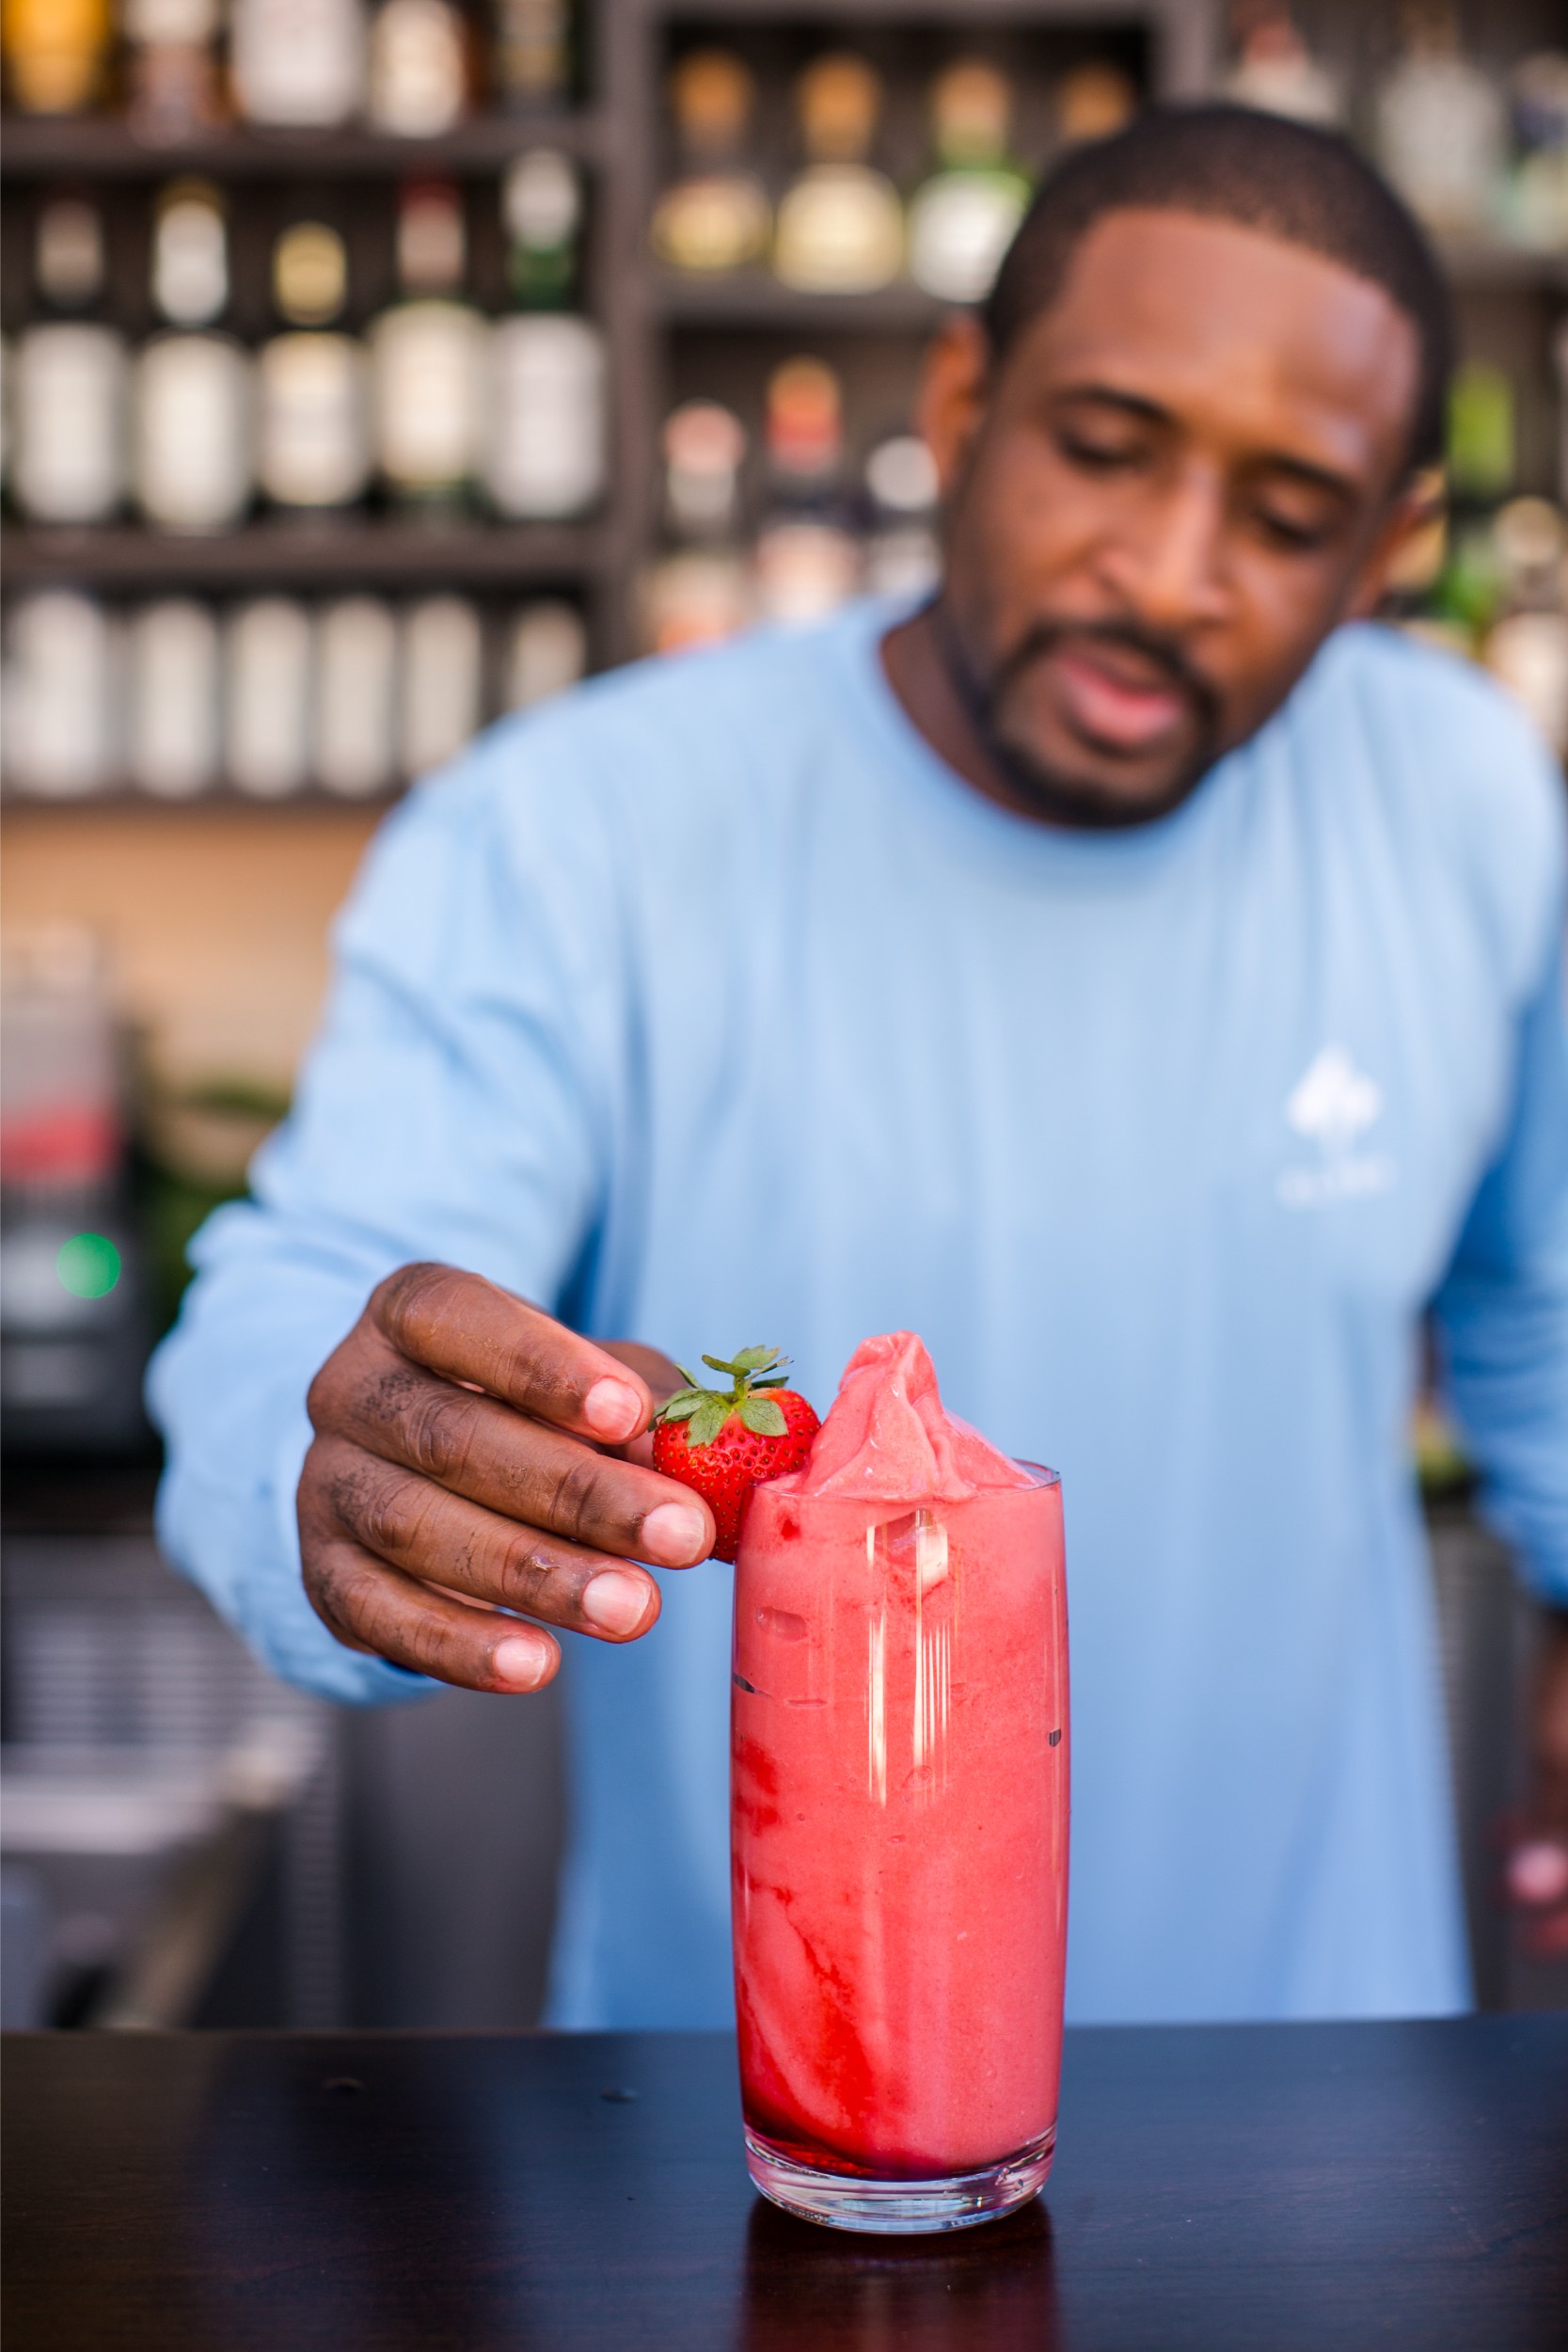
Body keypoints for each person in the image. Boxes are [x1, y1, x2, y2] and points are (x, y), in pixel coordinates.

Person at [150, 108, 1568, 2027]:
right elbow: (318, 1297)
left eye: (1289, 515)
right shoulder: (573, 829)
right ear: (967, 398)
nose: (1168, 571)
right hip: (749, 2145)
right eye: (1102, 447)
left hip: (1327, 2097)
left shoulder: (1471, 805)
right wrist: (322, 1466)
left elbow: (1550, 1345)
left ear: (1394, 545)